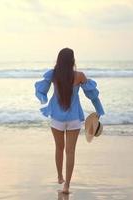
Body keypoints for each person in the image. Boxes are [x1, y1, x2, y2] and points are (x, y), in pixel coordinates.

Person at [34, 48, 105, 194]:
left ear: (59, 60)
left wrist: (44, 99)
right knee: (70, 151)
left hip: (57, 118)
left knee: (59, 148)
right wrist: (99, 111)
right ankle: (67, 186)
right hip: (74, 119)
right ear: (73, 61)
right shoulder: (80, 76)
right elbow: (92, 96)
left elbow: (41, 91)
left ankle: (60, 176)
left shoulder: (53, 75)